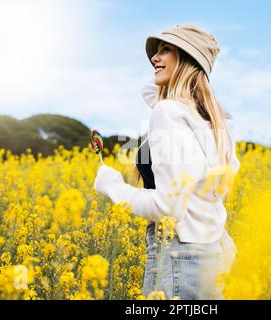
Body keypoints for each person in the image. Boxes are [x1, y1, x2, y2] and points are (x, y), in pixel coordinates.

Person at [94, 23, 240, 300]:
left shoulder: (169, 113)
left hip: (179, 257)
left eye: (165, 50)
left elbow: (168, 207)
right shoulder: (214, 122)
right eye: (155, 52)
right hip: (212, 253)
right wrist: (200, 56)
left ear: (186, 59)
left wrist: (113, 187)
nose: (154, 59)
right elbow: (151, 91)